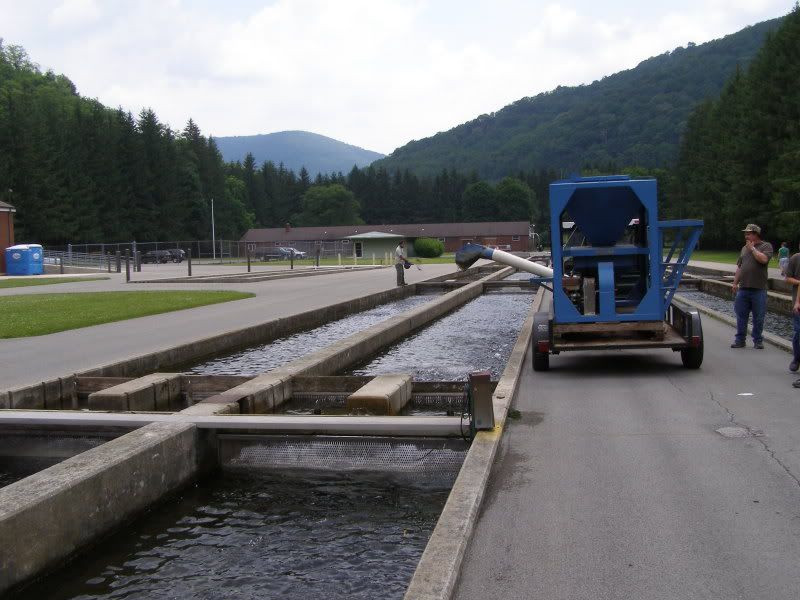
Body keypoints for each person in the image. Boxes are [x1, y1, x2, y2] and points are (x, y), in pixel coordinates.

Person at [731, 224, 773, 349]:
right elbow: (740, 266)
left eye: (748, 233)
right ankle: (740, 340)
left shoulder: (766, 246)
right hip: (743, 288)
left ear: (756, 234)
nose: (746, 235)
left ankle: (758, 340)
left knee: (758, 317)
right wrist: (735, 282)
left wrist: (753, 249)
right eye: (745, 233)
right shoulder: (744, 248)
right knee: (741, 316)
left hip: (758, 289)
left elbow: (764, 260)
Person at [785, 245, 800, 373]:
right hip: (798, 302)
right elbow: (787, 278)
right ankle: (796, 358)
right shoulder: (796, 258)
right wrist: (798, 282)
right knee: (797, 333)